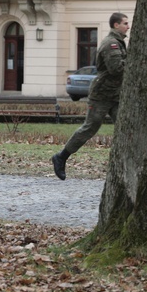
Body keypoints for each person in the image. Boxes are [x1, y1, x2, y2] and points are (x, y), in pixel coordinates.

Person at [51, 12, 129, 180]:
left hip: (115, 95)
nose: (127, 26)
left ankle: (124, 164)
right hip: (102, 95)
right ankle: (61, 157)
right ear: (116, 25)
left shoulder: (119, 43)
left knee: (126, 126)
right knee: (90, 128)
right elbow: (116, 69)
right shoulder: (112, 44)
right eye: (125, 23)